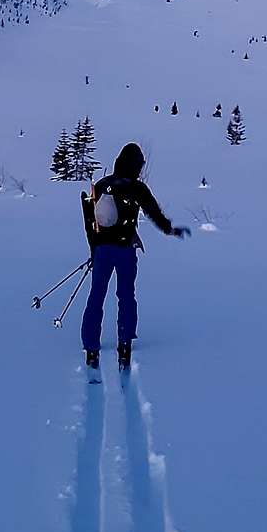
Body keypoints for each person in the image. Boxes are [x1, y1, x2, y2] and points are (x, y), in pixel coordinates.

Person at [81, 142, 189, 373]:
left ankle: (91, 348)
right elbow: (153, 212)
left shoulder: (101, 185)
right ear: (136, 165)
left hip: (102, 251)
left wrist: (94, 249)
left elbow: (91, 224)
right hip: (125, 251)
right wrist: (170, 230)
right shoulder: (138, 189)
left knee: (96, 295)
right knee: (126, 296)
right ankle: (125, 343)